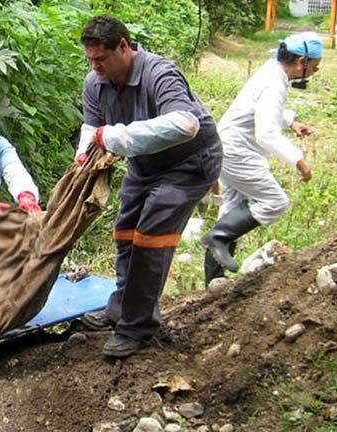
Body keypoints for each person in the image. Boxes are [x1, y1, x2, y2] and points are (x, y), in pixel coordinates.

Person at [75, 15, 223, 357]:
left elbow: (185, 124)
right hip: (145, 163)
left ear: (124, 47)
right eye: (90, 60)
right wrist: (83, 159)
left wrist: (113, 136)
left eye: (102, 59)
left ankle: (137, 327)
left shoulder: (160, 73)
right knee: (125, 232)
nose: (95, 67)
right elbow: (91, 128)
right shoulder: (94, 83)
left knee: (151, 237)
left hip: (190, 161)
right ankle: (120, 310)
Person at [201, 32, 321, 286]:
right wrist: (298, 160)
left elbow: (260, 107)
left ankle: (213, 282)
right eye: (314, 66)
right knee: (274, 201)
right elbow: (266, 133)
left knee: (232, 209)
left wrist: (291, 121)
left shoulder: (272, 71)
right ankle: (218, 238)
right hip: (238, 151)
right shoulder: (274, 83)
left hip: (228, 146)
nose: (315, 71)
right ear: (301, 62)